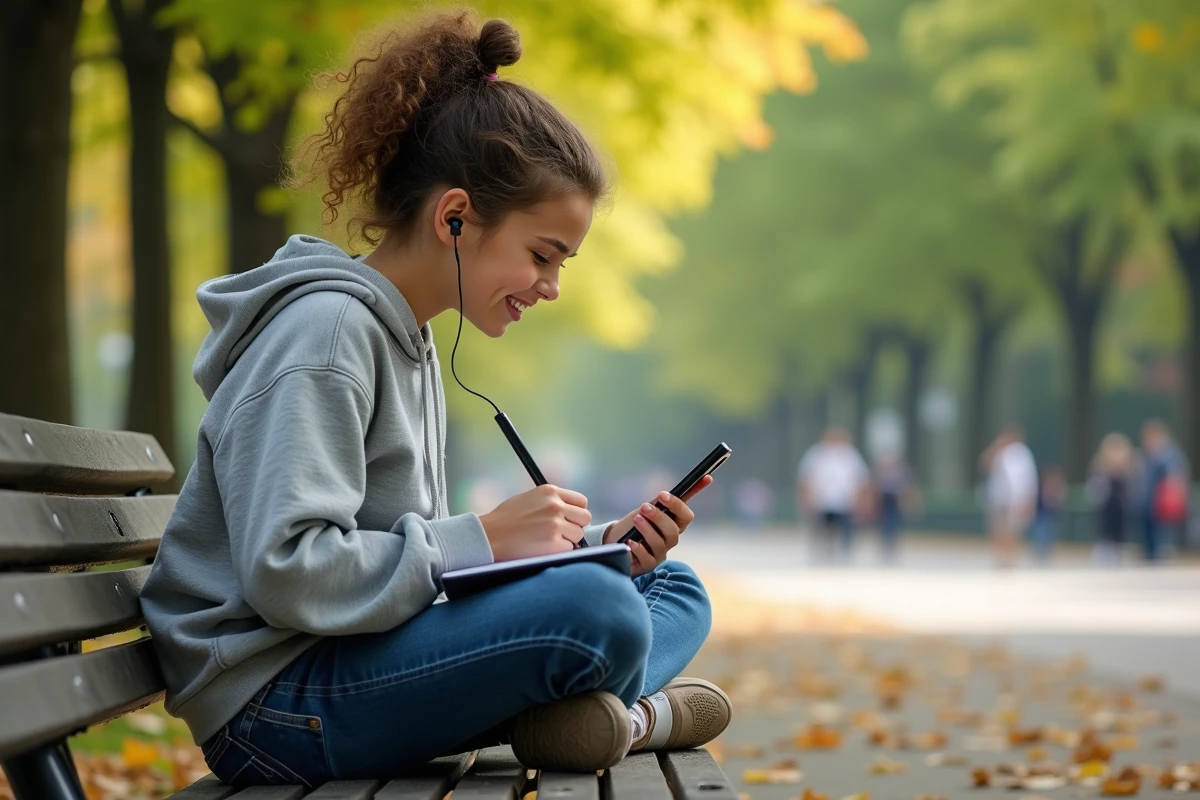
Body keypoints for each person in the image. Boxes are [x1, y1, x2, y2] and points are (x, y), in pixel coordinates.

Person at [140, 13, 730, 787]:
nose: (552, 288)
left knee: (660, 584)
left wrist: (596, 548)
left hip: (356, 657)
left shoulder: (408, 338)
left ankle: (600, 711)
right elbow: (287, 570)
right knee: (603, 613)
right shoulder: (326, 336)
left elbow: (411, 567)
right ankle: (631, 715)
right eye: (543, 256)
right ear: (455, 217)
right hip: (275, 704)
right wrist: (483, 538)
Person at [797, 427, 870, 562]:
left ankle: (844, 550)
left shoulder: (851, 455)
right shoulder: (816, 454)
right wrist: (806, 498)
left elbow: (860, 479)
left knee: (845, 527)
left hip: (845, 501)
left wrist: (860, 499)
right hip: (822, 500)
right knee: (823, 527)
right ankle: (825, 548)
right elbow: (806, 478)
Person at [981, 425, 1038, 568]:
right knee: (998, 528)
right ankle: (1000, 557)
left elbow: (1025, 479)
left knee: (1012, 529)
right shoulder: (1000, 452)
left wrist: (1025, 499)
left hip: (1014, 499)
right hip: (998, 498)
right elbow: (984, 464)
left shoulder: (1021, 454)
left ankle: (1009, 558)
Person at [1137, 419, 1189, 562]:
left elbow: (1175, 479)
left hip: (1161, 505)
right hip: (1147, 504)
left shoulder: (1169, 455)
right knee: (1148, 541)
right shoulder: (1146, 455)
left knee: (1161, 538)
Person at [1087, 434, 1134, 566]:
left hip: (1120, 512)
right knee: (1105, 540)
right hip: (1106, 511)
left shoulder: (1128, 471)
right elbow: (1095, 490)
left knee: (1118, 540)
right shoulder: (1100, 469)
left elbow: (1131, 492)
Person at [870, 454, 920, 564]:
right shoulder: (879, 472)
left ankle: (893, 547)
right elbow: (874, 487)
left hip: (896, 501)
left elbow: (909, 488)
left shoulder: (903, 472)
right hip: (883, 501)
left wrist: (910, 503)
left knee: (895, 525)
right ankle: (885, 547)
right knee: (884, 525)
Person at [1029, 465, 1067, 563]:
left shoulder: (1058, 487)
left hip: (1051, 515)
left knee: (1049, 533)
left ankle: (1045, 551)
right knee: (1040, 533)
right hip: (1041, 515)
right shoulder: (1040, 487)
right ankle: (1039, 551)